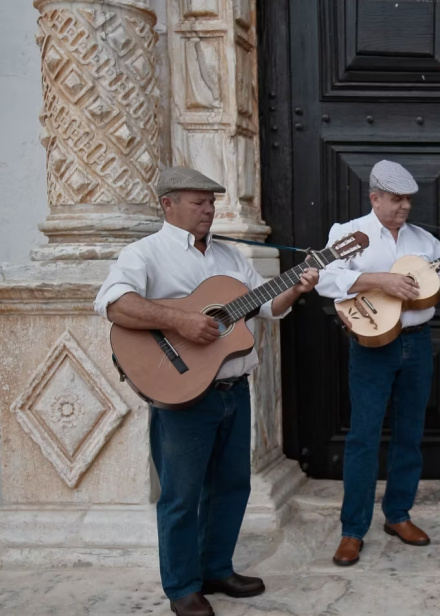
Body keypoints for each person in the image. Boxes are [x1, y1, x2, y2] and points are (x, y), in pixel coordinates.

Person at [94, 167, 319, 616]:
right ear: (168, 204)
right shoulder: (145, 253)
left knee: (231, 486)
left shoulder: (230, 256)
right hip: (183, 395)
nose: (209, 210)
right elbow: (114, 303)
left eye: (212, 202)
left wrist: (296, 286)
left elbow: (267, 306)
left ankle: (216, 569)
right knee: (181, 495)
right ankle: (182, 587)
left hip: (234, 390)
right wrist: (180, 321)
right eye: (198, 202)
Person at [316, 160, 440, 567]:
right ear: (375, 197)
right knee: (363, 436)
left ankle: (398, 515)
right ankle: (353, 530)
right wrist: (379, 280)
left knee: (410, 432)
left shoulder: (425, 241)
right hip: (371, 347)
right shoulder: (349, 234)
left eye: (408, 200)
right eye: (396, 199)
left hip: (417, 343)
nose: (404, 206)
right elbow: (323, 279)